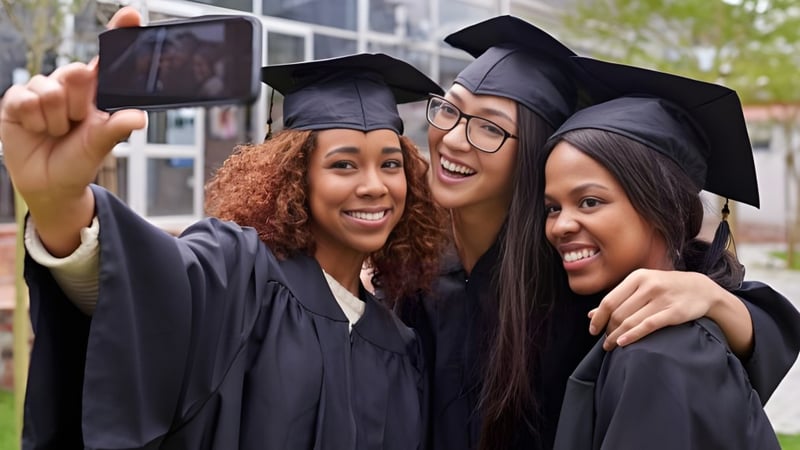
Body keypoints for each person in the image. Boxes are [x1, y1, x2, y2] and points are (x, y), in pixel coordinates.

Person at [1, 8, 448, 449]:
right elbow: (146, 289)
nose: (374, 186)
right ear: (295, 177)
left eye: (390, 164)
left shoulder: (400, 348)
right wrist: (59, 203)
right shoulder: (240, 274)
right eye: (343, 164)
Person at [397, 15, 800, 450]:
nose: (455, 138)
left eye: (490, 127)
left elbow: (706, 348)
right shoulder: (414, 269)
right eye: (449, 110)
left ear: (534, 156)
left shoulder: (576, 285)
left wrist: (716, 299)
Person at [540, 56, 795, 449]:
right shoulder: (635, 330)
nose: (560, 225)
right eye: (552, 207)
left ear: (662, 208)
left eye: (589, 201)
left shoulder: (659, 355)